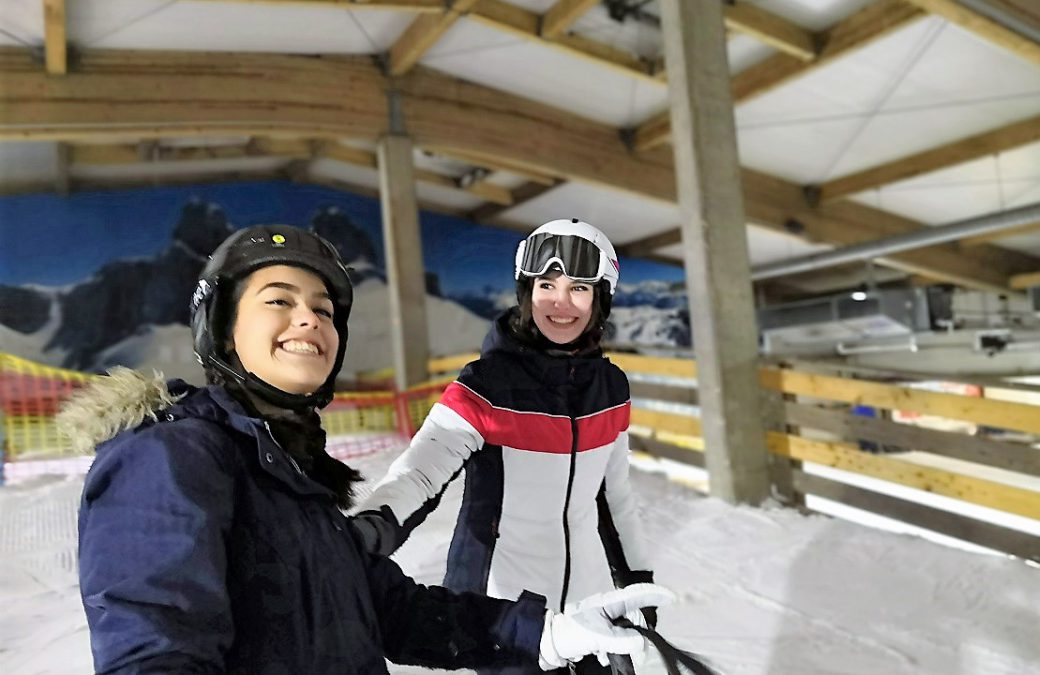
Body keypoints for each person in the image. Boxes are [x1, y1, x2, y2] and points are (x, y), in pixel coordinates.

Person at [59, 224, 672, 674]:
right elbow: (423, 468)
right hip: (503, 585)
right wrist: (374, 526)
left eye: (322, 310)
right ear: (220, 326)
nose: (308, 321)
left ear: (601, 301)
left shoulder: (293, 473)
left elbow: (390, 611)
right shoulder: (173, 458)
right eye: (279, 301)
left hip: (565, 608)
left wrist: (570, 622)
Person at [353, 219, 654, 674]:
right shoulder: (486, 385)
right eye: (546, 285)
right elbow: (420, 473)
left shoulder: (610, 388)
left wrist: (635, 580)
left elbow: (613, 497)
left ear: (600, 300)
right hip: (501, 611)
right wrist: (367, 532)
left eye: (578, 288)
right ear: (526, 293)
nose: (559, 302)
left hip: (589, 606)